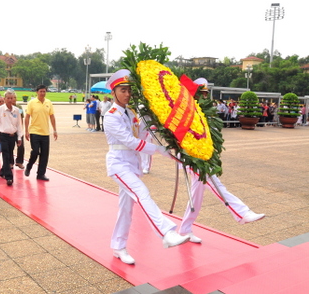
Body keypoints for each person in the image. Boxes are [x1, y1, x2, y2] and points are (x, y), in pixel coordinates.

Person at [104, 70, 190, 265]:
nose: (127, 94)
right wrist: (159, 150)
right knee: (142, 193)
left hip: (132, 165)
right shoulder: (110, 116)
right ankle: (166, 232)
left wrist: (157, 118)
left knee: (126, 209)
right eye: (123, 90)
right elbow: (131, 142)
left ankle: (119, 246)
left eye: (129, 90)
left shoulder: (132, 112)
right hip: (119, 164)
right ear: (114, 92)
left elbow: (143, 132)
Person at [178, 78, 265, 243]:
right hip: (193, 158)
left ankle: (185, 229)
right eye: (202, 94)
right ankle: (242, 213)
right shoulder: (187, 112)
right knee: (215, 183)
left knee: (196, 196)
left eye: (206, 93)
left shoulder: (203, 112)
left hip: (204, 156)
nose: (205, 97)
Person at [24, 84, 58, 181]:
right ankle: (29, 166)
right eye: (41, 91)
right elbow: (27, 117)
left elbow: (52, 116)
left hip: (45, 133)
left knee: (44, 154)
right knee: (35, 152)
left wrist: (54, 130)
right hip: (34, 131)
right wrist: (26, 130)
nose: (42, 93)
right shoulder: (32, 103)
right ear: (37, 92)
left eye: (44, 91)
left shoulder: (48, 103)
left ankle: (41, 174)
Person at [0, 90, 23, 186]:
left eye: (12, 98)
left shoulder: (16, 110)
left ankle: (2, 171)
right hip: (3, 136)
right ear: (4, 98)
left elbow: (19, 124)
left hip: (13, 136)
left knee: (10, 155)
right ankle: (9, 177)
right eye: (8, 98)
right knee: (5, 155)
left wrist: (19, 137)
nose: (10, 100)